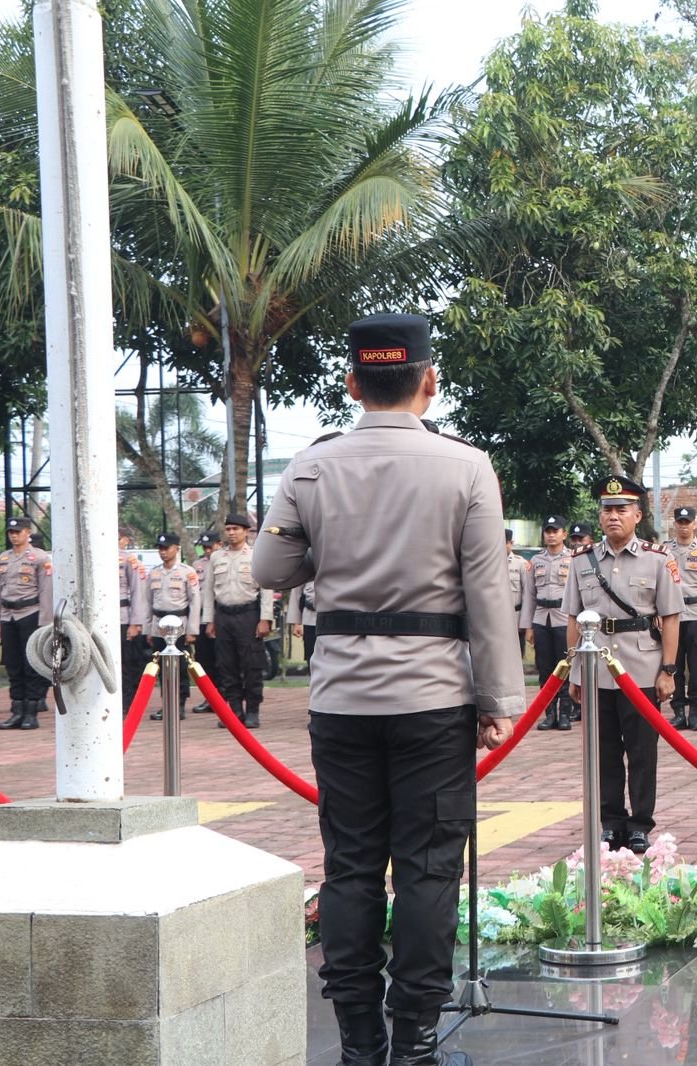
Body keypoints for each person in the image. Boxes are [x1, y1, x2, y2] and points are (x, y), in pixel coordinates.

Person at [253, 311, 525, 1066]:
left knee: (349, 867)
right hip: (432, 698)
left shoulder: (311, 467)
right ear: (428, 381)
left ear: (352, 383)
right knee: (429, 868)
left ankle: (358, 1043)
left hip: (340, 695)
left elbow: (270, 571)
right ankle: (414, 1042)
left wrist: (333, 548)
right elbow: (488, 595)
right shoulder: (466, 467)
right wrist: (498, 700)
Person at [562, 474, 682, 854]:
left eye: (622, 509)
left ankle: (640, 824)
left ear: (637, 515)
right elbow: (573, 618)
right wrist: (574, 671)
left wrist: (668, 670)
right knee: (604, 752)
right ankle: (611, 822)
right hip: (596, 669)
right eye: (607, 510)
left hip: (641, 668)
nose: (613, 516)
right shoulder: (582, 561)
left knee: (643, 752)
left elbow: (671, 618)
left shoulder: (657, 559)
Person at [201, 513, 273, 729]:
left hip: (248, 615)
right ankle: (234, 710)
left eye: (236, 529)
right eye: (228, 529)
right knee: (226, 665)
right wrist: (209, 620)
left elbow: (266, 589)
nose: (231, 533)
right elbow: (208, 591)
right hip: (223, 616)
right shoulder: (217, 557)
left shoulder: (256, 555)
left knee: (251, 664)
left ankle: (252, 710)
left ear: (246, 531)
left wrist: (265, 619)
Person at [0, 516, 53, 731]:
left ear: (28, 532)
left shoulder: (39, 558)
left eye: (18, 531)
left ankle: (31, 712)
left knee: (31, 664)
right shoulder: (3, 558)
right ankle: (17, 710)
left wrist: (45, 622)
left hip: (30, 613)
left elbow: (46, 591)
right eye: (11, 532)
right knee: (13, 664)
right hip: (8, 615)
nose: (14, 535)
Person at [522, 514, 576, 731]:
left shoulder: (573, 559)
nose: (551, 535)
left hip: (564, 618)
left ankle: (565, 713)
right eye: (548, 531)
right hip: (541, 618)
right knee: (545, 670)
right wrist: (528, 626)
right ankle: (549, 714)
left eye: (555, 531)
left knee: (565, 667)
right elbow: (529, 595)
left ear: (564, 534)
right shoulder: (536, 561)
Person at [140, 531, 200, 720]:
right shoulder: (154, 573)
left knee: (180, 667)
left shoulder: (187, 572)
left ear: (176, 549)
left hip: (179, 625)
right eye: (160, 548)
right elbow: (147, 603)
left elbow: (195, 602)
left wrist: (192, 630)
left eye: (166, 548)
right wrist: (148, 629)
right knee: (161, 667)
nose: (163, 552)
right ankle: (166, 703)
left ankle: (179, 704)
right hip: (159, 625)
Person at [666, 506, 697, 731]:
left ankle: (695, 712)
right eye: (680, 522)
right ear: (675, 524)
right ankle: (678, 712)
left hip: (696, 614)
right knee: (673, 665)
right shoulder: (665, 550)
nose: (684, 526)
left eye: (687, 522)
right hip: (672, 615)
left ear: (694, 524)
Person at [117, 528, 150, 715]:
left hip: (123, 617)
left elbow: (138, 593)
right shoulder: (95, 558)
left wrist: (135, 623)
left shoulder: (128, 560)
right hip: (102, 620)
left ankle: (128, 704)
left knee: (127, 664)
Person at [191, 530, 220, 711]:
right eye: (204, 547)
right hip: (201, 616)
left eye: (210, 546)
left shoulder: (223, 561)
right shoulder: (197, 565)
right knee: (203, 660)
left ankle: (223, 697)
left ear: (219, 544)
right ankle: (210, 697)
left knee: (221, 660)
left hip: (221, 615)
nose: (208, 550)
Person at [504, 529, 530, 655]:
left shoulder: (520, 563)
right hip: (495, 619)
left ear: (511, 543)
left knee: (517, 656)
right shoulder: (489, 563)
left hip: (516, 618)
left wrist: (524, 622)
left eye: (504, 543)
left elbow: (527, 594)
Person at [287, 579, 318, 671]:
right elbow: (296, 592)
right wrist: (296, 622)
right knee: (312, 659)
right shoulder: (308, 569)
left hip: (335, 618)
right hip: (310, 619)